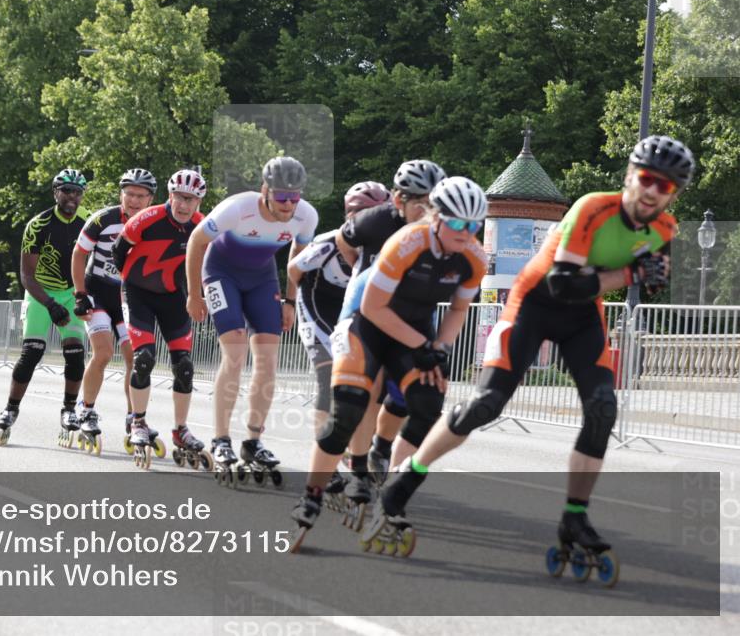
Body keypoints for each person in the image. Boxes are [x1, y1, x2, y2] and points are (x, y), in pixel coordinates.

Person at [368, 135, 693, 561]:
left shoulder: (664, 228)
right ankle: (404, 481)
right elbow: (564, 283)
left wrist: (651, 276)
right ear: (630, 175)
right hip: (534, 304)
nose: (652, 191)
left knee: (602, 409)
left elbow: (650, 281)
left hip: (582, 317)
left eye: (664, 186)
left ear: (674, 194)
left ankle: (575, 515)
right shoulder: (593, 208)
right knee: (486, 404)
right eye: (647, 178)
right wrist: (632, 274)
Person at [291, 177, 488, 550]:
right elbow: (372, 308)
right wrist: (422, 345)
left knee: (428, 404)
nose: (466, 232)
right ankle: (312, 494)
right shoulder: (407, 242)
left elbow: (459, 309)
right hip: (365, 320)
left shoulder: (474, 257)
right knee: (348, 409)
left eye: (474, 225)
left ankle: (391, 489)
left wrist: (441, 347)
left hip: (411, 326)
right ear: (435, 217)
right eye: (457, 223)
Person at [185, 156, 318, 483]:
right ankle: (221, 439)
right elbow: (197, 242)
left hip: (262, 279)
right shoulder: (237, 208)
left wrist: (291, 300)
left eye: (294, 197)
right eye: (282, 196)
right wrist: (194, 294)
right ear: (265, 190)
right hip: (220, 273)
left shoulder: (306, 215)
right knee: (235, 352)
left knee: (268, 362)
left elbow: (298, 254)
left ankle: (253, 441)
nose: (288, 205)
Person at [335, 160, 447, 483]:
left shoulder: (443, 227)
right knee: (370, 385)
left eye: (434, 204)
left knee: (406, 391)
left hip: (411, 312)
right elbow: (343, 239)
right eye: (421, 204)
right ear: (399, 200)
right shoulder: (375, 220)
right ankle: (357, 463)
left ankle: (381, 448)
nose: (429, 212)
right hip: (368, 305)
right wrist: (358, 269)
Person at [287, 181, 391, 502]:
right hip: (318, 302)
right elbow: (293, 270)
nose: (367, 221)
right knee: (328, 376)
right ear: (349, 215)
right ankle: (327, 459)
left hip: (354, 310)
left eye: (374, 214)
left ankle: (361, 450)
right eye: (360, 214)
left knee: (371, 384)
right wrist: (290, 303)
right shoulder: (329, 242)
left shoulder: (389, 244)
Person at [110, 169, 209, 469]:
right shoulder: (147, 218)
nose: (184, 205)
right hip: (138, 294)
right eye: (180, 197)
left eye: (191, 200)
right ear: (170, 195)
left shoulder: (202, 226)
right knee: (144, 359)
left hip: (172, 297)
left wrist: (198, 295)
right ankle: (138, 421)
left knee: (185, 366)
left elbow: (208, 265)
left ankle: (180, 430)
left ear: (198, 202)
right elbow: (118, 251)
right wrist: (128, 283)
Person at [0, 169, 91, 447]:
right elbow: (26, 275)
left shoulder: (88, 223)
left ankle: (69, 410)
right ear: (55, 192)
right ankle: (11, 409)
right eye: (67, 190)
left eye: (78, 192)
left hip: (72, 292)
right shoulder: (38, 225)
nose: (72, 197)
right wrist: (49, 304)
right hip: (41, 292)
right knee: (32, 352)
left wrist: (84, 295)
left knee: (75, 353)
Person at [72, 168, 157, 432]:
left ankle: (134, 417)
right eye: (129, 194)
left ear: (150, 199)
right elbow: (78, 254)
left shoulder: (155, 224)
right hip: (97, 292)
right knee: (104, 353)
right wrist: (80, 295)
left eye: (140, 196)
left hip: (127, 296)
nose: (134, 201)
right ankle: (86, 409)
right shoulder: (102, 219)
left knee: (136, 357)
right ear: (121, 194)